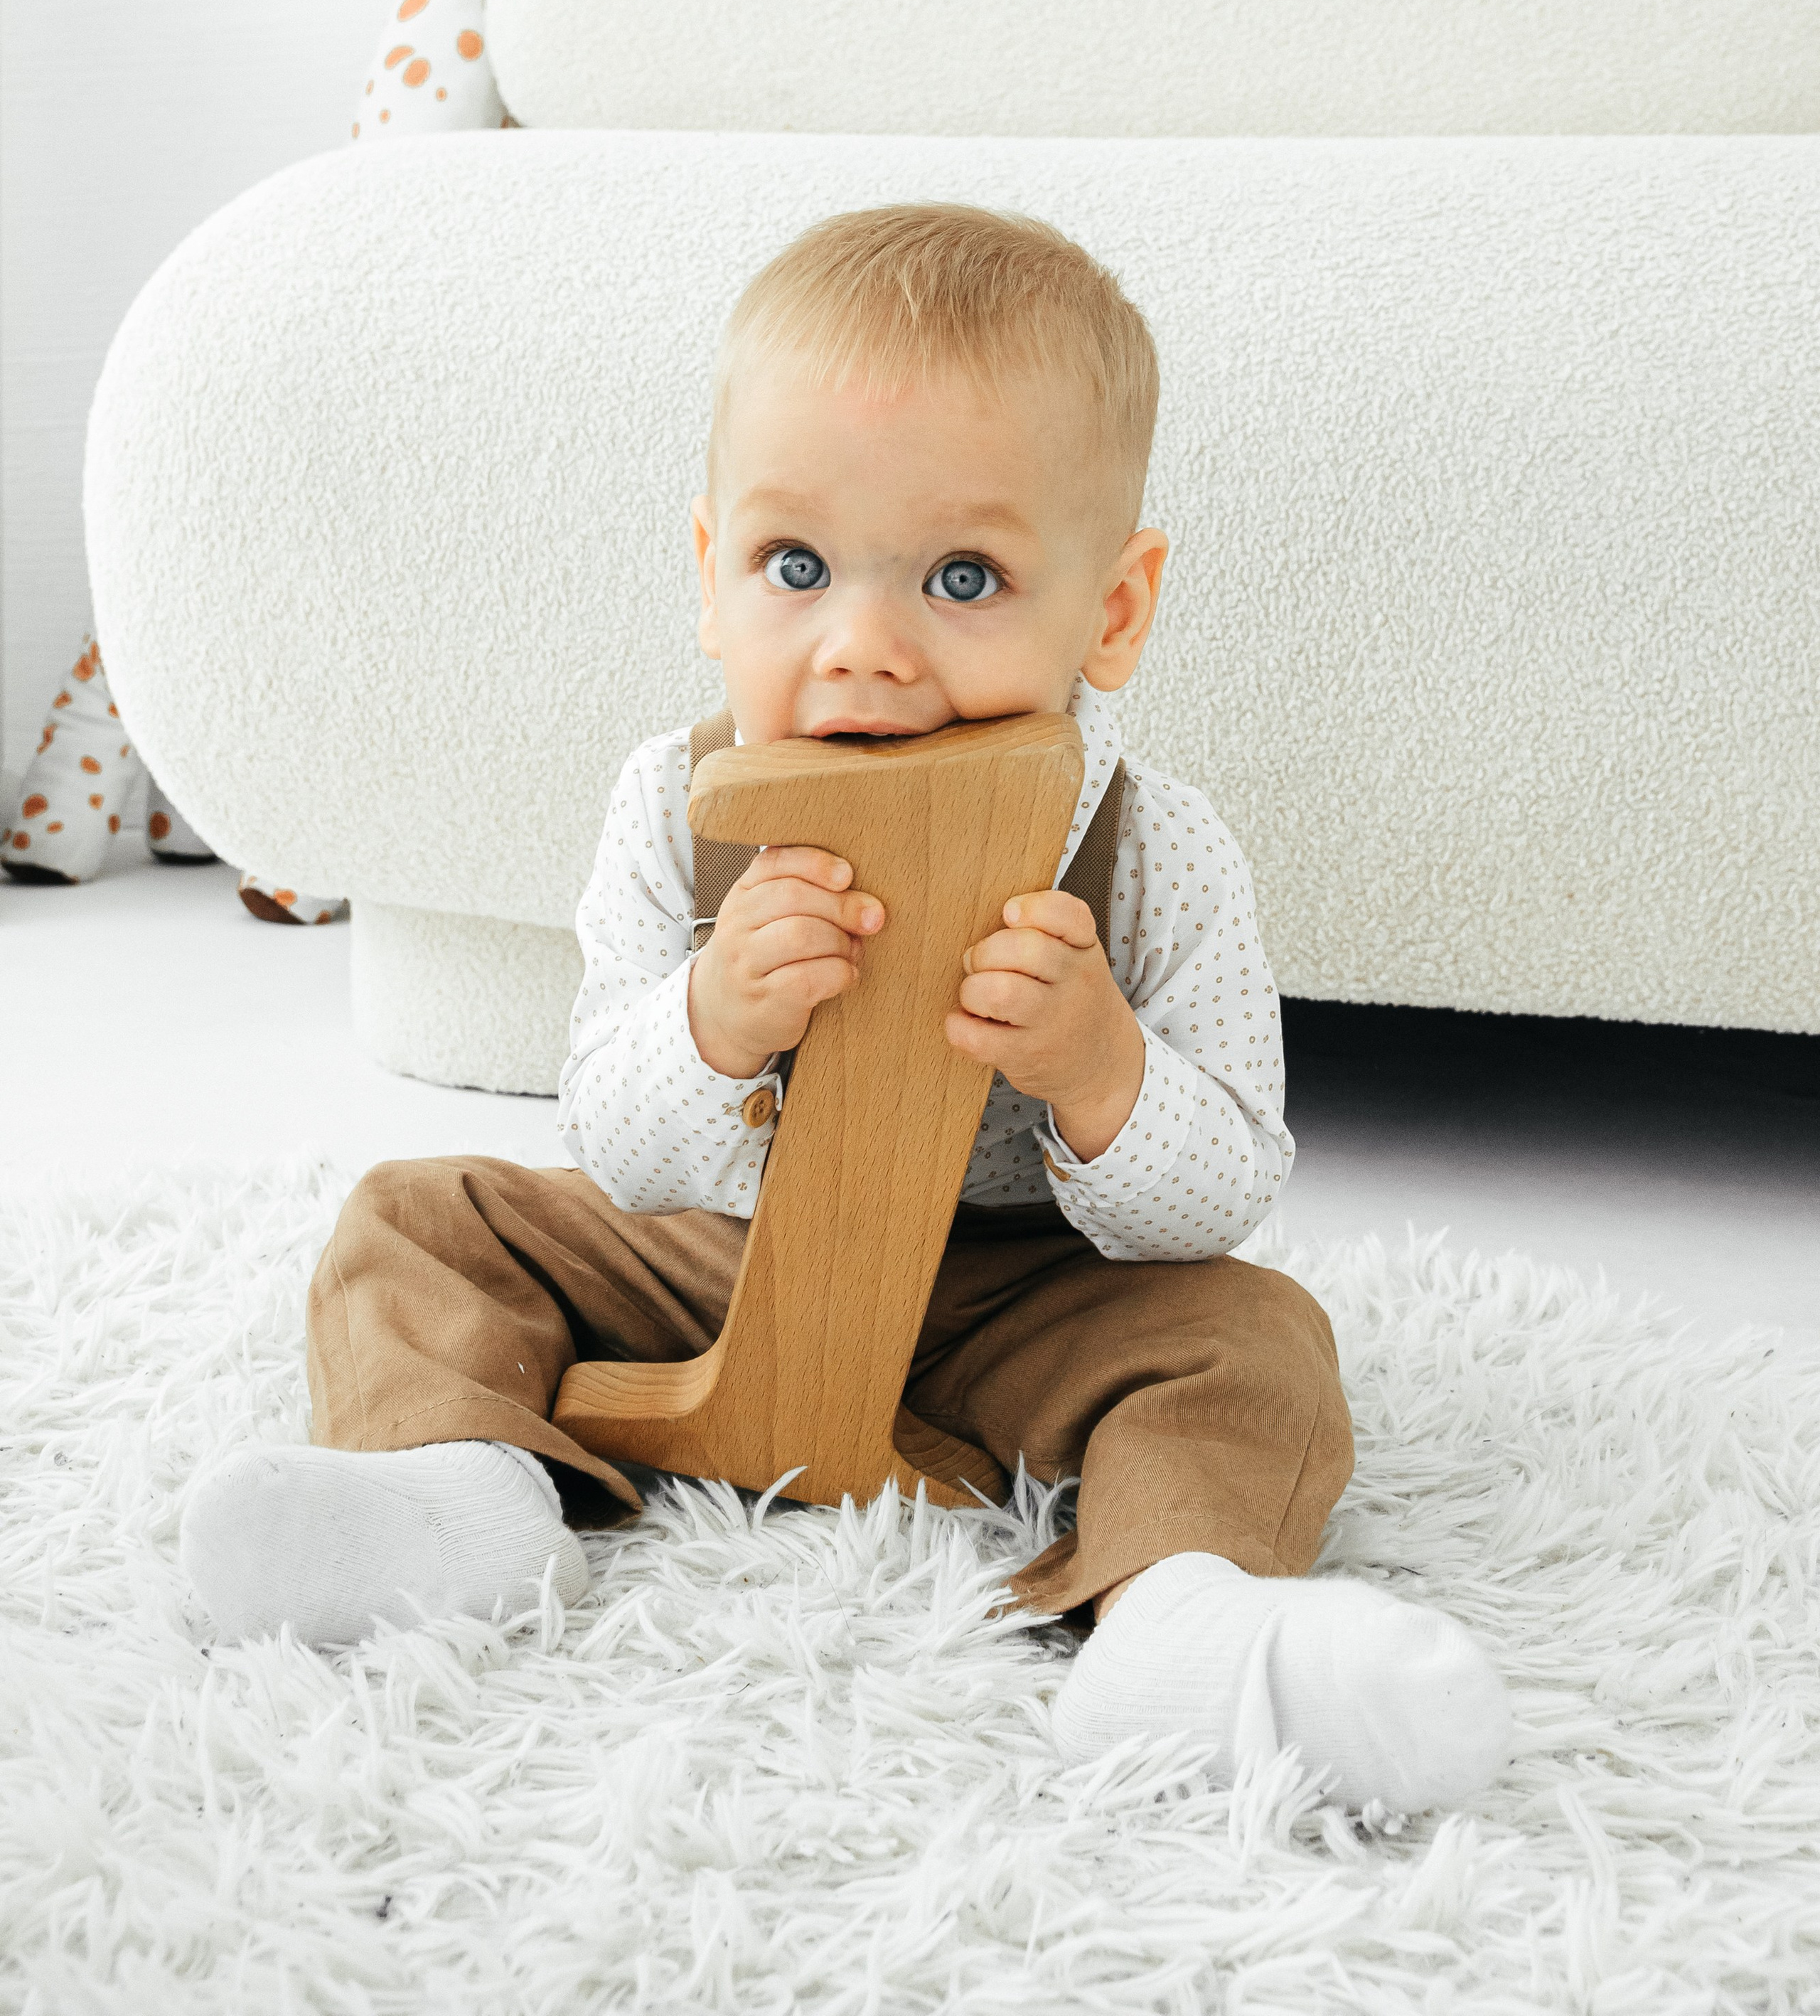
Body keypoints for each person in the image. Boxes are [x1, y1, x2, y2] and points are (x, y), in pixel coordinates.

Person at [183, 204, 1511, 1813]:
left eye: (963, 577)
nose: (862, 649)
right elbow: (616, 1132)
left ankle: (1178, 1619)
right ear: (707, 569)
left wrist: (1099, 1072)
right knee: (424, 1217)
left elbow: (1222, 1190)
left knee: (1254, 1342)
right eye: (793, 566)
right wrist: (712, 1019)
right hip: (728, 1256)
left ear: (1113, 609)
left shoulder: (1153, 846)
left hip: (1032, 1294)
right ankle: (452, 1497)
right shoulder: (669, 810)